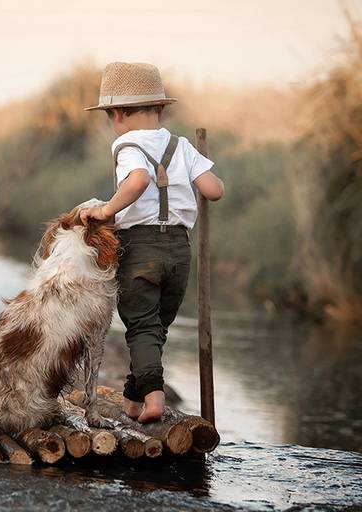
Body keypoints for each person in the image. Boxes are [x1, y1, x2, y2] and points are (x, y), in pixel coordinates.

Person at [78, 62, 225, 423]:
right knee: (154, 328)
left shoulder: (126, 144)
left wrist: (106, 210)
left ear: (115, 113)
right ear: (160, 109)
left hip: (140, 248)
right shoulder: (182, 146)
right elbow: (214, 190)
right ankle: (133, 399)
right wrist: (195, 171)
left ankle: (154, 401)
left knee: (141, 326)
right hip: (179, 249)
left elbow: (139, 180)